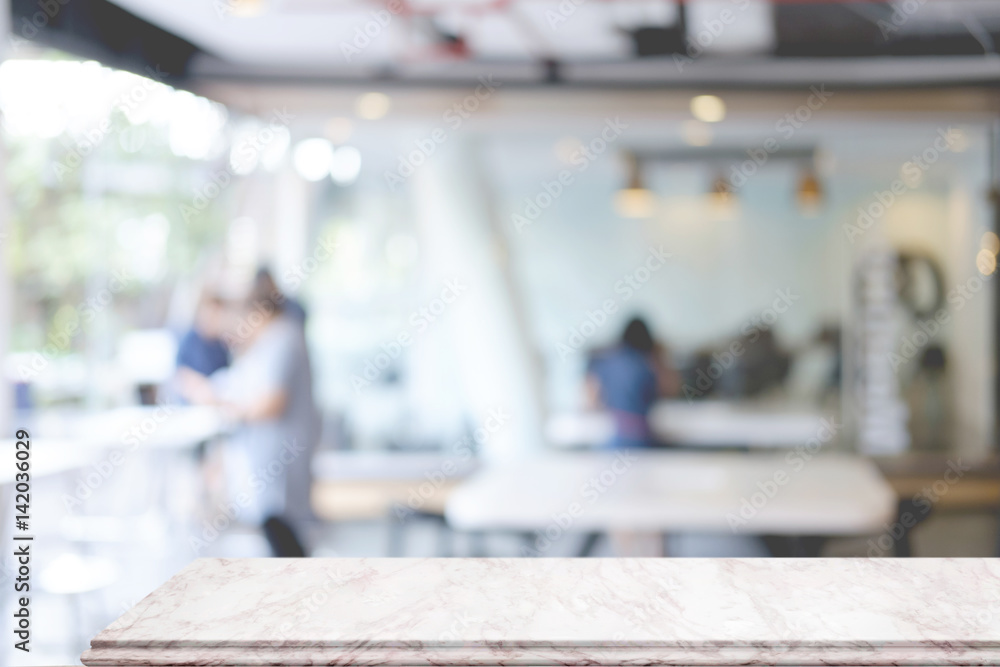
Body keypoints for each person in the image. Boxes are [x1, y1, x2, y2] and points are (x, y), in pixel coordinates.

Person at [194, 273, 320, 555]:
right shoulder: (265, 342)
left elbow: (271, 403)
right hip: (267, 463)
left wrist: (230, 409)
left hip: (281, 459)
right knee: (277, 540)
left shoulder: (284, 338)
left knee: (287, 542)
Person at [586, 317, 676, 448]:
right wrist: (661, 358)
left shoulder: (607, 362)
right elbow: (671, 390)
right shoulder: (647, 363)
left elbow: (591, 403)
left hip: (617, 438)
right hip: (643, 439)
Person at [175, 288, 231, 404]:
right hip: (193, 406)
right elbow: (183, 378)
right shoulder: (189, 341)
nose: (213, 319)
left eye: (218, 314)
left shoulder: (224, 343)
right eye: (210, 313)